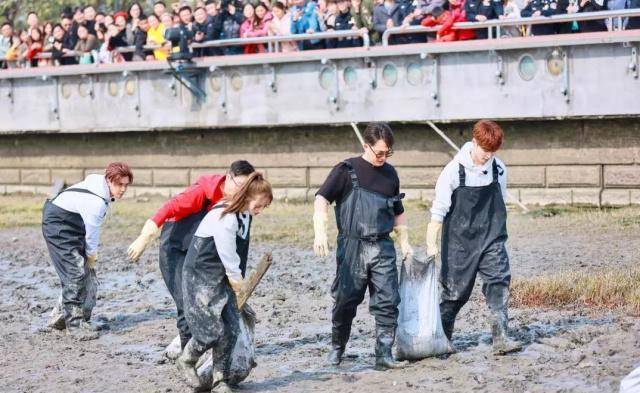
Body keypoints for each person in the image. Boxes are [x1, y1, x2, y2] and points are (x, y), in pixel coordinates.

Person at [127, 161, 256, 354]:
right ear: (228, 177)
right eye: (239, 187)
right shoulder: (203, 192)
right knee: (187, 304)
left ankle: (212, 348)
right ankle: (188, 354)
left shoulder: (242, 207)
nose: (241, 193)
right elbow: (169, 208)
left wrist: (237, 283)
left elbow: (237, 246)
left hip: (203, 254)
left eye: (246, 189)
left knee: (215, 302)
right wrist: (145, 236)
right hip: (176, 248)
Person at [313, 123, 413, 369]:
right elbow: (321, 197)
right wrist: (320, 232)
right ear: (365, 146)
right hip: (352, 246)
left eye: (387, 153)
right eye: (379, 152)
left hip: (382, 246)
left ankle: (383, 355)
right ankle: (337, 348)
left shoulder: (390, 174)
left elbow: (398, 211)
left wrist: (405, 242)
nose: (383, 158)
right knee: (346, 300)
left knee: (388, 301)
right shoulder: (346, 170)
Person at [425, 120, 522, 355]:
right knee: (455, 294)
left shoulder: (498, 168)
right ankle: (442, 339)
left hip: (491, 238)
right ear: (474, 142)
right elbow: (439, 210)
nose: (488, 156)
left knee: (499, 282)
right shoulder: (452, 171)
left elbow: (501, 199)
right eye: (484, 150)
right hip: (459, 243)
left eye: (493, 152)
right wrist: (431, 241)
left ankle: (501, 338)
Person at [176, 172, 273, 392]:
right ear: (246, 197)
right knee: (210, 331)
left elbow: (238, 253)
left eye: (263, 208)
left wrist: (234, 282)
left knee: (231, 329)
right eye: (258, 205)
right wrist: (238, 283)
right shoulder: (226, 217)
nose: (259, 211)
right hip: (200, 277)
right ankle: (187, 360)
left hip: (222, 278)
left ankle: (221, 380)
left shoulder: (244, 216)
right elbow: (228, 255)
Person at [42, 163, 133, 340]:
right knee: (75, 272)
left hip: (72, 222)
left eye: (126, 185)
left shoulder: (101, 190)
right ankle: (74, 326)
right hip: (57, 224)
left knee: (82, 272)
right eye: (119, 184)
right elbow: (92, 237)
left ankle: (63, 317)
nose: (123, 189)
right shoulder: (96, 201)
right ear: (109, 180)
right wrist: (91, 259)